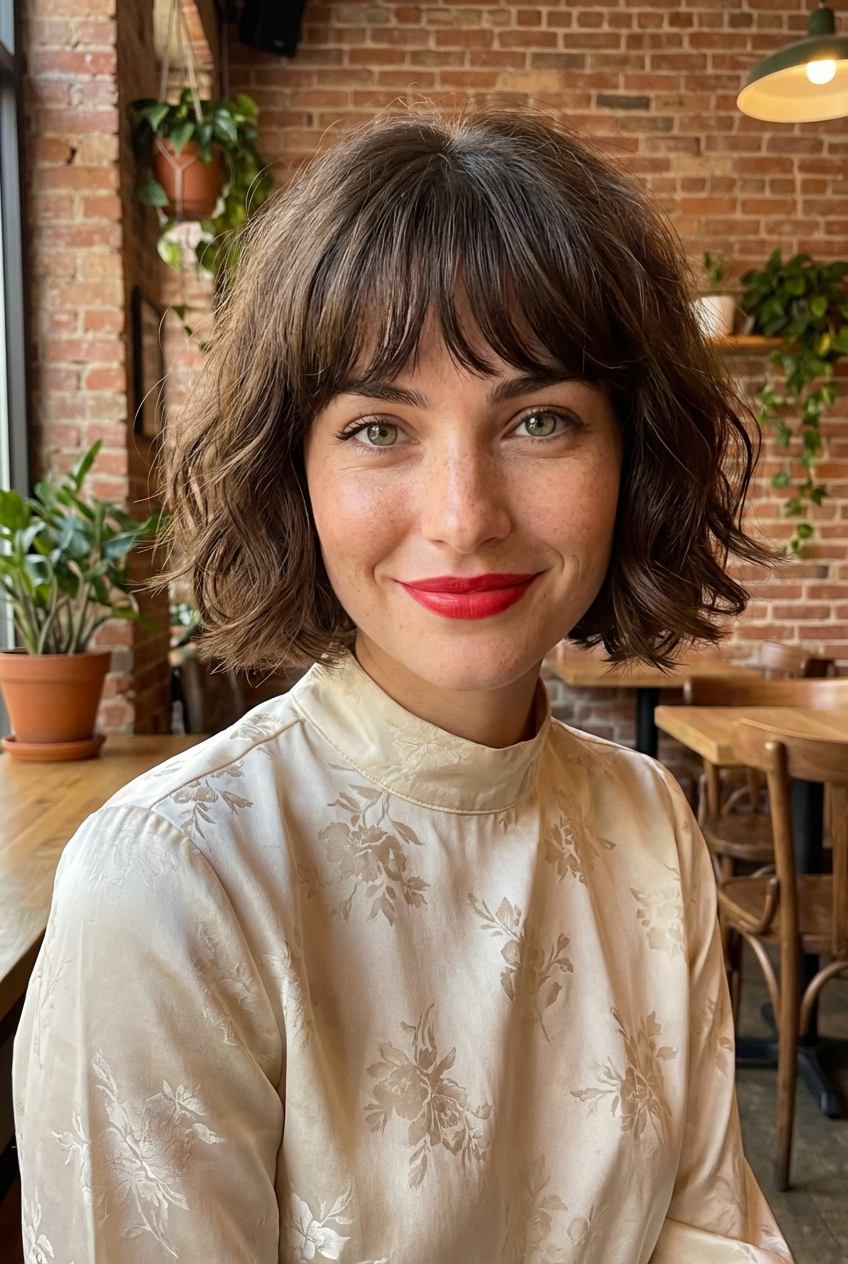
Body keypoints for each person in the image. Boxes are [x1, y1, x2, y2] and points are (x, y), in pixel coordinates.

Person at [14, 111, 792, 1263]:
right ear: (297, 475)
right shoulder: (169, 884)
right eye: (381, 427)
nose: (463, 516)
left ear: (632, 457)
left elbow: (706, 1230)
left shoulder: (649, 822)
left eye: (537, 420)